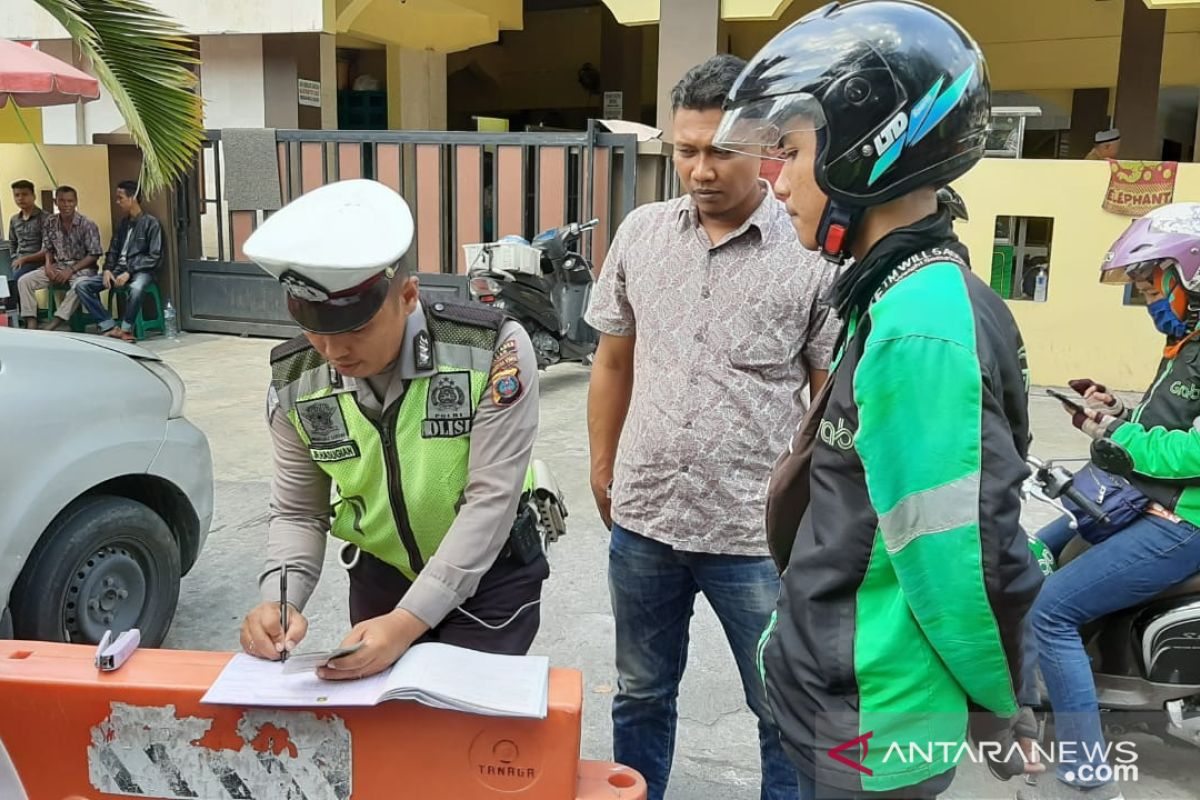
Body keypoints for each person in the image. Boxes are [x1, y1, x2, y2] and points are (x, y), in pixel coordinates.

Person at [715, 2, 1044, 797]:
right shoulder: (897, 294)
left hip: (871, 726)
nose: (775, 178)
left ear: (871, 149)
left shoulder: (919, 323)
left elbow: (966, 558)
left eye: (789, 150)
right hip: (845, 701)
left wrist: (1006, 710)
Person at [585, 54, 839, 800]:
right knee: (639, 693)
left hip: (754, 535)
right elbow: (611, 363)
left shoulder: (809, 253)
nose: (699, 170)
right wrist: (602, 466)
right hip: (646, 519)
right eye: (684, 150)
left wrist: (824, 513)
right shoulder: (641, 234)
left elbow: (829, 397)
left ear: (765, 148)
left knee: (781, 704)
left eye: (719, 151)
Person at [239, 179, 549, 679]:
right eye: (316, 330)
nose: (334, 352)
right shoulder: (295, 381)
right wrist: (279, 597)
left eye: (356, 328)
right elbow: (298, 510)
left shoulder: (490, 350)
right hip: (380, 576)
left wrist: (408, 622)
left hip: (491, 576)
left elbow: (491, 500)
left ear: (407, 296)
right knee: (387, 729)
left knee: (464, 728)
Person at [1019, 202, 1200, 800]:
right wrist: (1115, 413)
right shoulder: (1187, 344)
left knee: (1051, 610)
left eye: (1154, 284)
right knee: (1031, 553)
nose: (1148, 298)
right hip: (1140, 505)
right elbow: (1167, 422)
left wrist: (1117, 437)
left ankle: (1086, 773)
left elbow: (1193, 454)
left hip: (1180, 523)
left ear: (1190, 275)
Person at [74, 180, 163, 341]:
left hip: (140, 271)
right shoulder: (122, 224)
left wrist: (129, 272)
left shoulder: (151, 223)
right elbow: (113, 250)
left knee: (136, 288)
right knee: (82, 286)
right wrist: (107, 269)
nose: (118, 202)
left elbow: (154, 256)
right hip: (117, 270)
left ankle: (126, 330)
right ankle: (108, 326)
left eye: (120, 198)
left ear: (133, 198)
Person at [17, 185, 102, 331]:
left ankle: (55, 322)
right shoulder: (50, 222)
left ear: (76, 202)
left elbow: (94, 255)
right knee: (24, 281)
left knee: (79, 285)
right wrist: (49, 265)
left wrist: (71, 270)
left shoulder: (87, 224)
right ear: (56, 202)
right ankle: (31, 322)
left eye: (70, 201)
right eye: (62, 201)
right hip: (58, 265)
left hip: (83, 268)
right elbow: (48, 248)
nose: (66, 205)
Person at [5, 180, 46, 312]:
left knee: (15, 278)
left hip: (39, 261)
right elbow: (12, 242)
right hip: (19, 261)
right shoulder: (14, 219)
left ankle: (22, 314)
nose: (20, 198)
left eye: (24, 194)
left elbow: (48, 249)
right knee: (3, 276)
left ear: (33, 196)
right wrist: (14, 258)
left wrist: (24, 260)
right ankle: (9, 315)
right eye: (17, 195)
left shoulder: (45, 218)